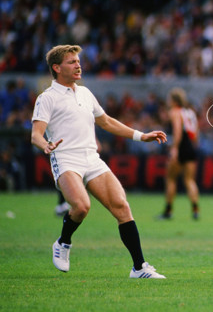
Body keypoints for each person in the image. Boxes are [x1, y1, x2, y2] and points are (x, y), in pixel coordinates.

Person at [31, 45, 167, 279]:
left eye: (78, 61)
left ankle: (139, 267)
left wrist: (141, 135)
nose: (78, 65)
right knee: (82, 207)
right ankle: (63, 242)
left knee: (122, 207)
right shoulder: (47, 98)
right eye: (72, 61)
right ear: (57, 67)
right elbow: (35, 133)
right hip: (65, 158)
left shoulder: (84, 93)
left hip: (91, 157)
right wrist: (45, 145)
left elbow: (106, 122)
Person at [158, 87, 200, 220]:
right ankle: (195, 210)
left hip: (180, 146)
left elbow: (177, 131)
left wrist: (174, 148)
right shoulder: (190, 112)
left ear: (175, 101)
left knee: (171, 179)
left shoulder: (175, 112)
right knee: (189, 180)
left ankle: (168, 211)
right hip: (190, 147)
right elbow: (195, 134)